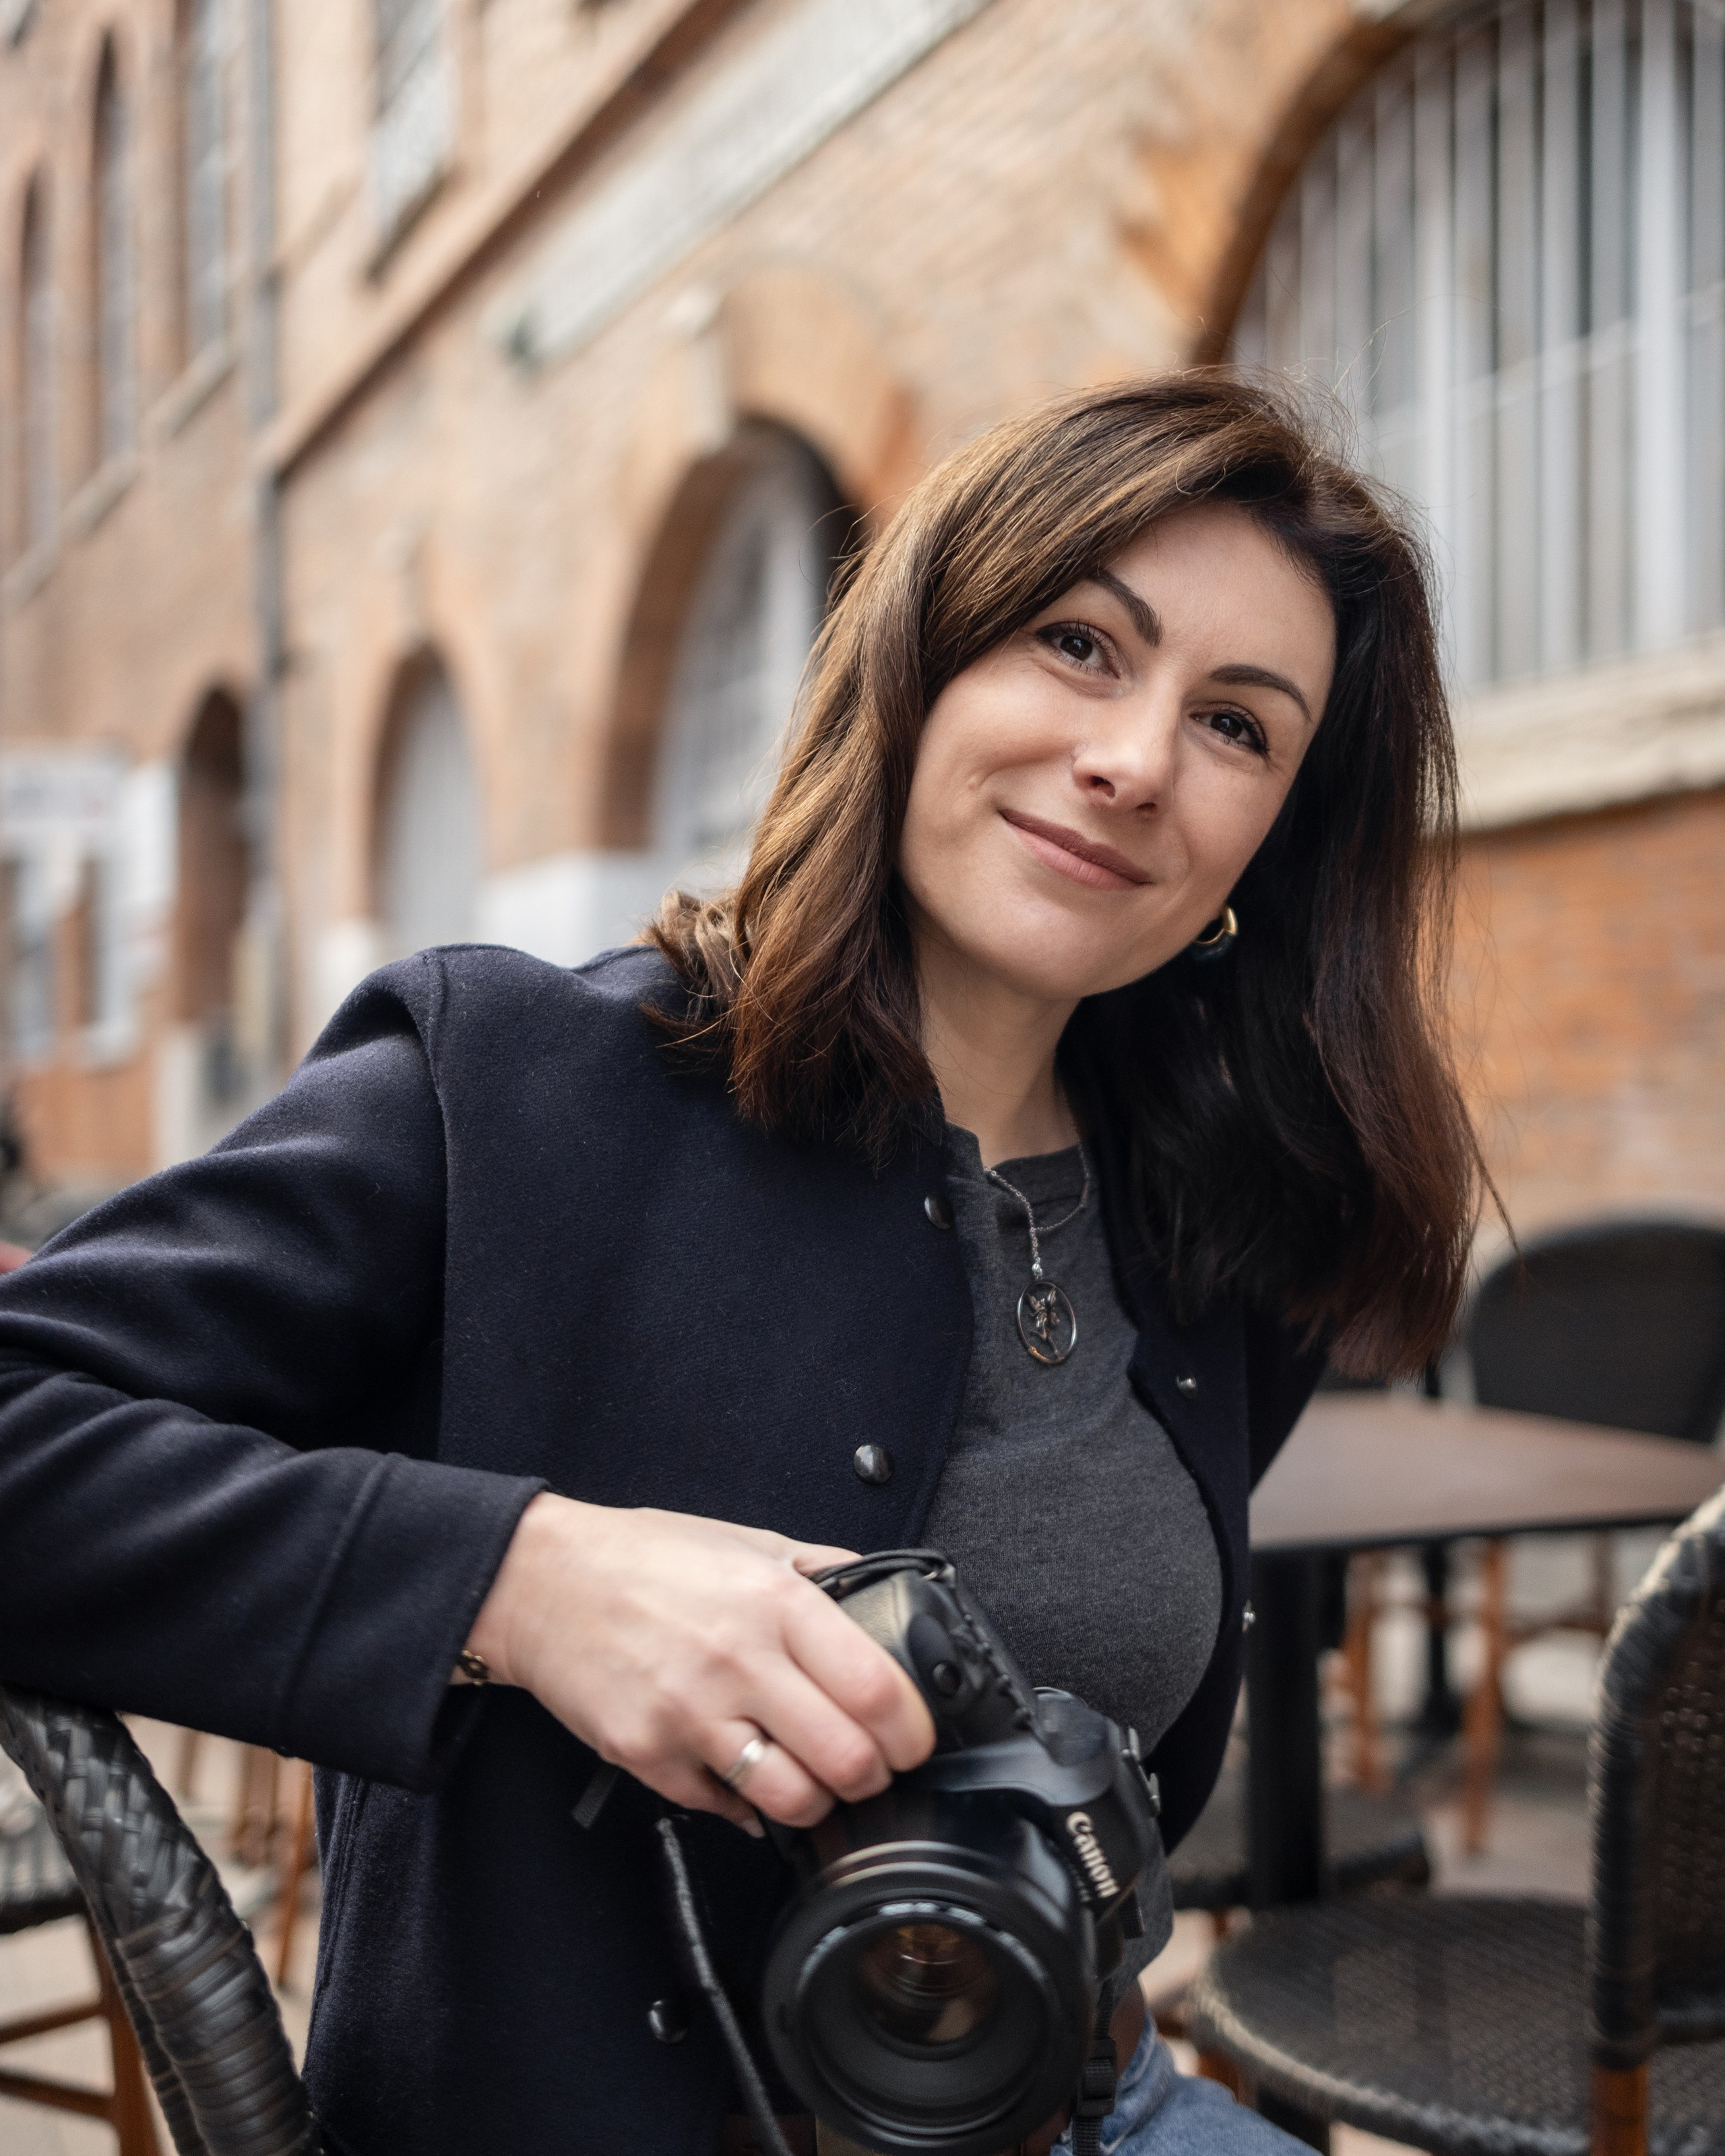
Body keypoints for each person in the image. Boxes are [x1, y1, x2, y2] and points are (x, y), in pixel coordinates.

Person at [0, 376, 1480, 2156]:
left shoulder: (1223, 1219)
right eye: (1082, 645)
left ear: (1277, 839)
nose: (1138, 760)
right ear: (921, 663)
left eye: (1239, 727)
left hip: (1084, 2108)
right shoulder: (515, 1093)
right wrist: (522, 1586)